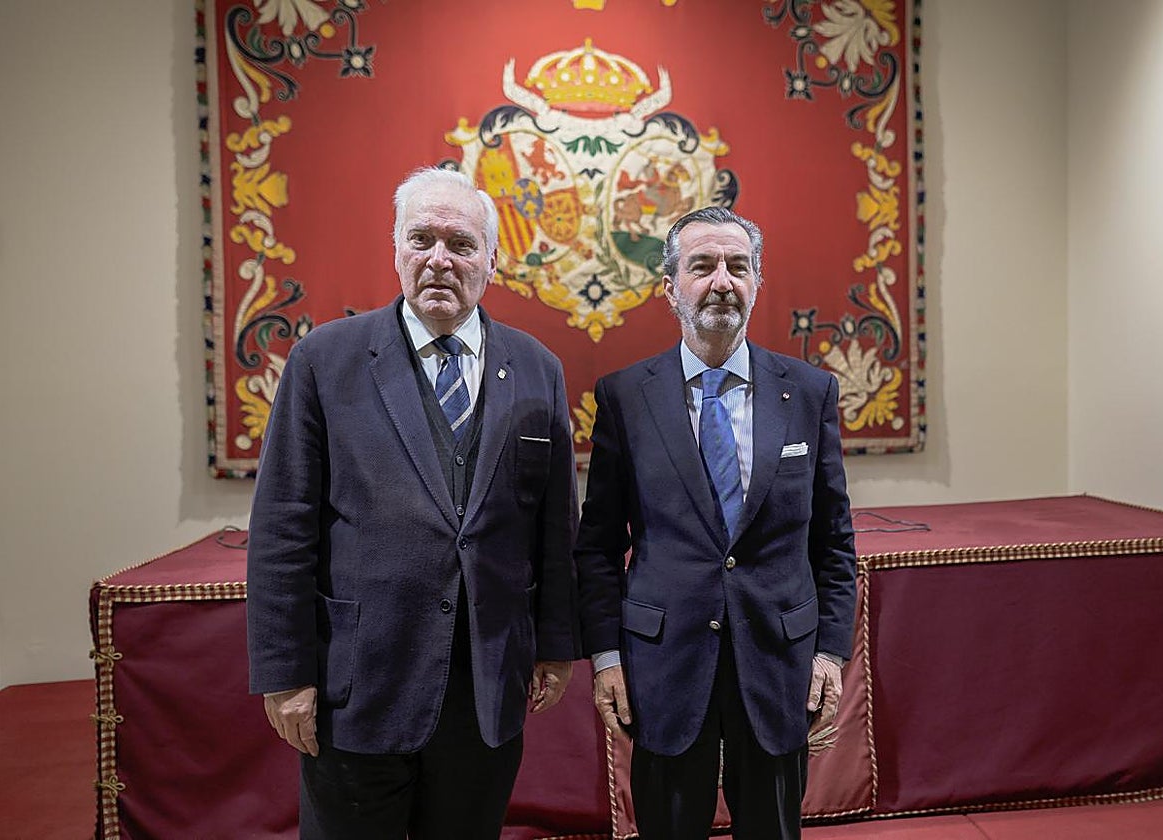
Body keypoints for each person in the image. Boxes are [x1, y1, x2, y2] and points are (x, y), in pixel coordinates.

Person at [246, 167, 579, 839]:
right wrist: (284, 675)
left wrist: (556, 643)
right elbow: (282, 528)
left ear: (491, 260)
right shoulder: (324, 361)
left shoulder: (537, 367)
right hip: (357, 684)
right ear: (396, 249)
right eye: (421, 239)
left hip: (486, 685)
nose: (439, 259)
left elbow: (554, 526)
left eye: (460, 244)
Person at [574, 206, 857, 839]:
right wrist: (606, 656)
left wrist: (831, 653)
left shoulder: (809, 392)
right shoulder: (624, 396)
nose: (722, 281)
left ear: (758, 282)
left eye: (738, 266)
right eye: (702, 266)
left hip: (778, 661)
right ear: (670, 285)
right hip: (663, 663)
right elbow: (597, 547)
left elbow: (834, 542)